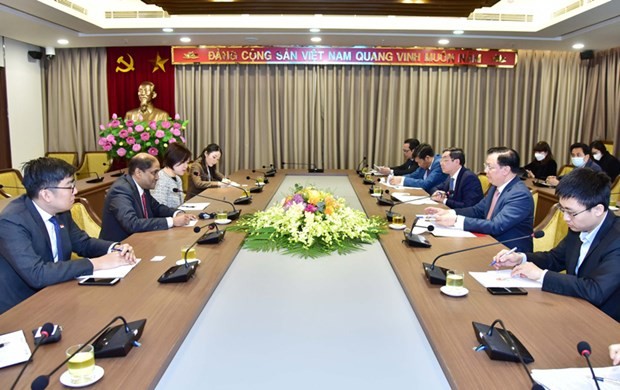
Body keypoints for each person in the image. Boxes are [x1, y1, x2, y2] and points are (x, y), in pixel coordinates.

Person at [0, 157, 136, 314]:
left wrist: (114, 248)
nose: (76, 191)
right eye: (70, 187)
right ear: (46, 195)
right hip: (20, 306)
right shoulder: (12, 221)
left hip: (57, 290)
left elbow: (83, 243)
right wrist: (97, 263)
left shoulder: (60, 211)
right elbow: (37, 274)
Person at [492, 168, 620, 321]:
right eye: (562, 209)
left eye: (571, 212)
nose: (565, 218)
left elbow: (596, 290)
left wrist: (542, 275)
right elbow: (555, 258)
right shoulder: (579, 226)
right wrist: (521, 258)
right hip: (574, 306)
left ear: (598, 209)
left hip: (605, 321)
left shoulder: (616, 239)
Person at [425, 147, 534, 252]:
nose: (485, 170)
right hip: (488, 241)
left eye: (489, 167)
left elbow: (496, 226)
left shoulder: (519, 194)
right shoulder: (495, 187)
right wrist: (449, 212)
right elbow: (476, 210)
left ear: (505, 170)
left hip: (508, 251)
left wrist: (456, 220)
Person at [99, 153, 195, 242]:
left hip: (141, 240)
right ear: (138, 173)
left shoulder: (142, 186)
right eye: (154, 173)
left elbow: (156, 208)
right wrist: (172, 221)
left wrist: (177, 213)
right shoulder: (121, 190)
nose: (158, 177)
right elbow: (132, 224)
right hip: (119, 246)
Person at [152, 143, 192, 209]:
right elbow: (160, 209)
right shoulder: (160, 179)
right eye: (182, 162)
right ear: (172, 159)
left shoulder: (178, 178)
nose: (186, 166)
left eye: (187, 162)